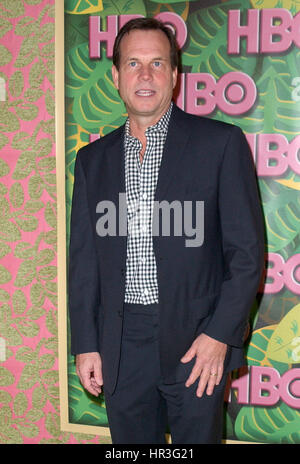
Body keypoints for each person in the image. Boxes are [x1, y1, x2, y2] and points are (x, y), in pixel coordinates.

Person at [68, 17, 264, 444]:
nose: (145, 75)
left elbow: (247, 256)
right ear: (117, 75)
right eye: (133, 63)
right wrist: (86, 343)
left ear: (174, 75)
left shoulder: (221, 145)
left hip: (197, 342)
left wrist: (218, 336)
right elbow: (83, 263)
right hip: (120, 344)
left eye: (157, 64)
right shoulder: (91, 160)